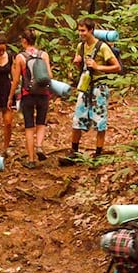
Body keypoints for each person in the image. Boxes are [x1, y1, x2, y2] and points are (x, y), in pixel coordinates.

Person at [59, 18, 121, 166]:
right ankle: (74, 152)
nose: (81, 33)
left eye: (83, 31)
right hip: (85, 87)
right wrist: (77, 64)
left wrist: (98, 66)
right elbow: (81, 70)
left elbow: (117, 67)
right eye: (79, 30)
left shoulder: (102, 47)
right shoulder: (80, 46)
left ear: (91, 30)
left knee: (100, 121)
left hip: (100, 88)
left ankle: (98, 153)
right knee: (77, 118)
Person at [8, 28, 53, 169]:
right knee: (41, 123)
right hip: (43, 94)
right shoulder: (44, 55)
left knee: (29, 126)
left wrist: (10, 97)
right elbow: (50, 76)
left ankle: (31, 159)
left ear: (24, 41)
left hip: (27, 94)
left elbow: (16, 81)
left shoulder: (20, 57)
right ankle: (39, 146)